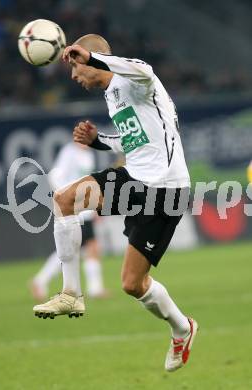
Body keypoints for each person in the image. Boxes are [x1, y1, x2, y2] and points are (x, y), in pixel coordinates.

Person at [33, 34, 198, 372]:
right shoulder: (113, 94)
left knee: (132, 284)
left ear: (90, 58)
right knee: (64, 199)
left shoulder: (133, 77)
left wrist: (90, 57)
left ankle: (183, 328)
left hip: (165, 189)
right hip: (134, 177)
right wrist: (97, 142)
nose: (75, 77)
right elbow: (132, 140)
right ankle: (71, 294)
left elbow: (144, 69)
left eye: (76, 69)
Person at [31, 142, 107, 300]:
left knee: (87, 247)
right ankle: (41, 280)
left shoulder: (87, 155)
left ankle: (95, 288)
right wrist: (67, 197)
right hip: (74, 209)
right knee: (74, 249)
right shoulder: (70, 152)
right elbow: (55, 176)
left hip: (84, 210)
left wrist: (93, 207)